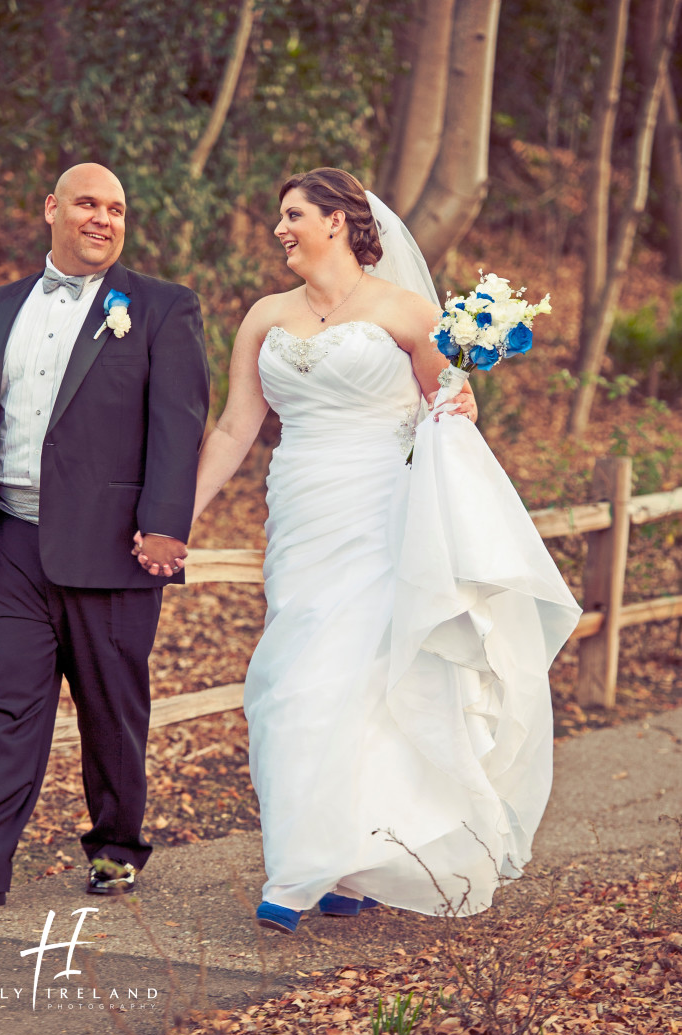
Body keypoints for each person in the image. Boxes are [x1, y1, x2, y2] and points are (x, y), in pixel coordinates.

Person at [136, 167, 581, 934]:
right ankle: (341, 860)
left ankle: (310, 869)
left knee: (369, 680)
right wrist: (176, 518)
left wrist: (461, 395)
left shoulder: (406, 309)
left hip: (385, 514)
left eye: (294, 214)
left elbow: (447, 408)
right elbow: (237, 429)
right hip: (302, 512)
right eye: (281, 215)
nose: (281, 229)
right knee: (291, 677)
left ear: (338, 221)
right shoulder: (263, 317)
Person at [0, 163, 210, 912]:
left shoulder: (164, 309)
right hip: (9, 542)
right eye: (88, 203)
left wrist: (167, 526)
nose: (104, 218)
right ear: (52, 210)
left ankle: (114, 848)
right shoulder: (1, 307)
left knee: (112, 711)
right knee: (7, 703)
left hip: (111, 548)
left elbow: (180, 424)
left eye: (117, 208)